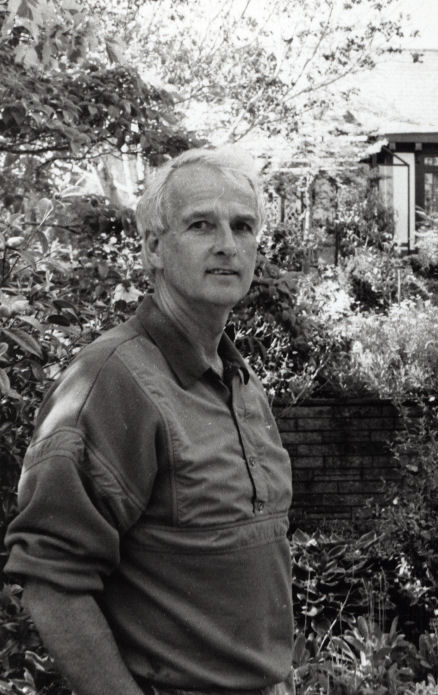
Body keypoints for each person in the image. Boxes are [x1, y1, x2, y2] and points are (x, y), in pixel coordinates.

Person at [4, 147, 295, 695]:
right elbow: (51, 582)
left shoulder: (238, 380)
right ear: (154, 249)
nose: (227, 245)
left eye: (243, 226)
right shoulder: (111, 383)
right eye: (201, 225)